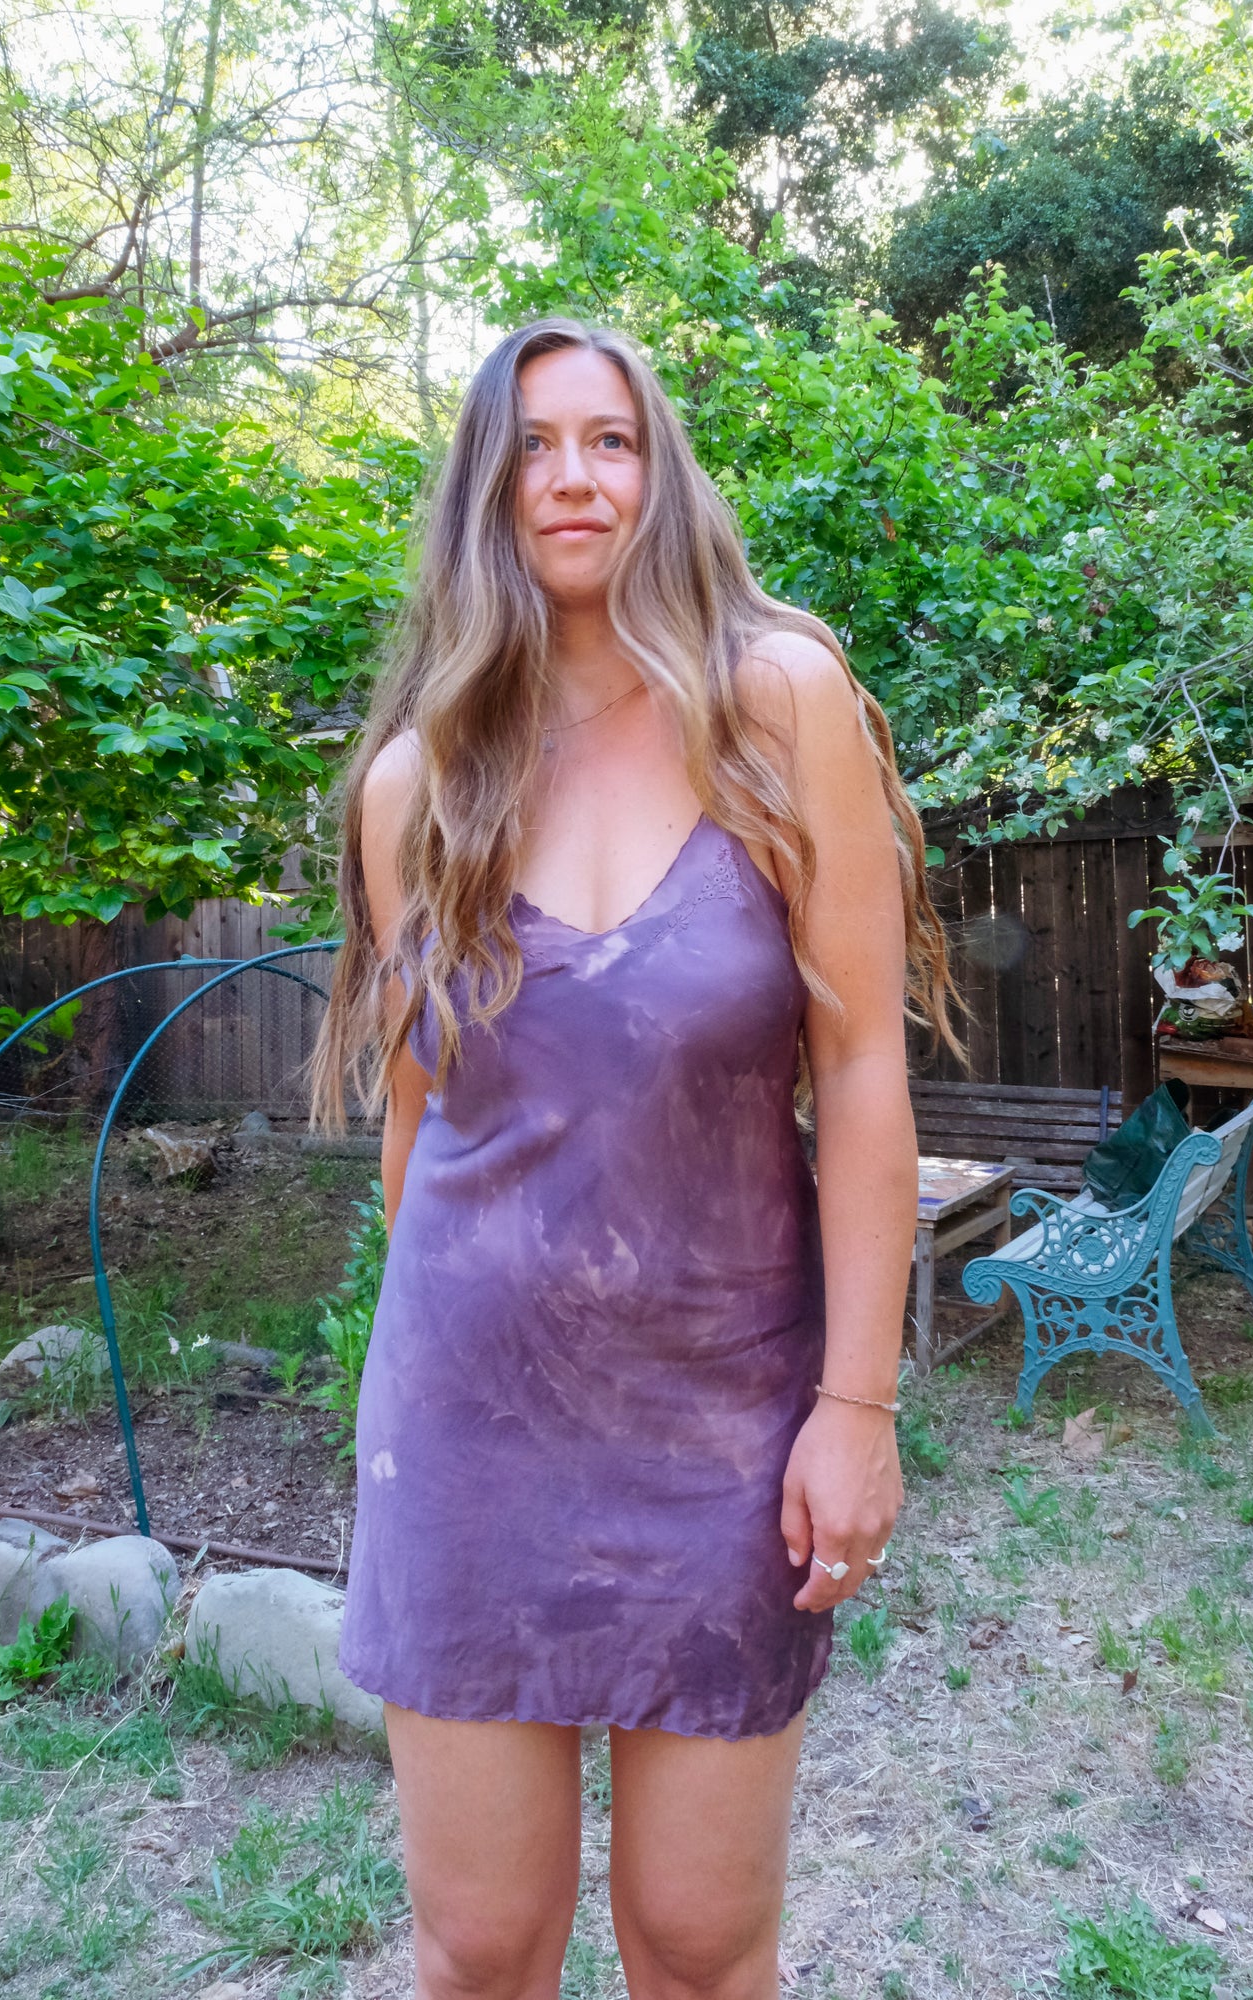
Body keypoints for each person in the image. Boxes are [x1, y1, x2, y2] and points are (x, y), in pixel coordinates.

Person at [313, 316, 959, 2000]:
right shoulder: (414, 784)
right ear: (484, 489)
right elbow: (418, 1119)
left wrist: (857, 1406)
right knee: (479, 1948)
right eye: (534, 445)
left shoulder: (775, 705)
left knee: (697, 1940)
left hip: (726, 1427)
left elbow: (862, 1070)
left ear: (659, 475)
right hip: (470, 1432)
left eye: (611, 440)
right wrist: (420, 1385)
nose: (575, 476)